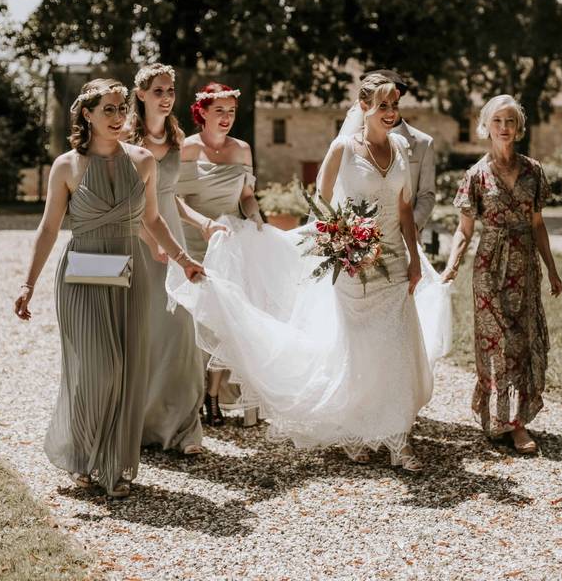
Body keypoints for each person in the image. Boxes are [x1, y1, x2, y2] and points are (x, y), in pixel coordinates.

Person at [168, 73, 453, 472]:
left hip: (393, 259)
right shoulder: (342, 148)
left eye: (395, 106)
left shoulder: (403, 148)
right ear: (365, 106)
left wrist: (415, 258)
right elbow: (321, 205)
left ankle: (399, 439)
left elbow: (405, 208)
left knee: (398, 346)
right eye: (383, 106)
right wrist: (343, 242)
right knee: (360, 347)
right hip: (354, 264)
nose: (391, 114)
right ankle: (356, 428)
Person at [13, 78, 204, 498]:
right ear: (87, 114)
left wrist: (184, 259)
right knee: (98, 369)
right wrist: (29, 284)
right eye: (109, 111)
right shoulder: (67, 166)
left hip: (130, 276)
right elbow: (48, 229)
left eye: (122, 110)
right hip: (81, 279)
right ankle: (83, 453)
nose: (119, 118)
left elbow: (153, 221)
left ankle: (114, 467)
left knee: (128, 370)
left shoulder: (143, 161)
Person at [441, 94, 562, 453]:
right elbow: (464, 230)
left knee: (521, 342)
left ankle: (516, 421)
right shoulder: (475, 175)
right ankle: (503, 420)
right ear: (486, 126)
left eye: (510, 121)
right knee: (496, 344)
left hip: (524, 266)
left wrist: (552, 269)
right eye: (498, 121)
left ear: (519, 127)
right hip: (489, 267)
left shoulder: (533, 171)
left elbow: (538, 224)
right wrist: (452, 264)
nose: (504, 128)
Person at [128, 63, 224, 454]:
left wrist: (202, 221)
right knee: (144, 333)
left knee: (181, 332)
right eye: (158, 91)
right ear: (141, 95)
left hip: (174, 237)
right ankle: (139, 425)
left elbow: (170, 195)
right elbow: (129, 202)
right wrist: (150, 242)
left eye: (170, 91)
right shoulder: (123, 140)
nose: (166, 98)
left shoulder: (175, 137)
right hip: (139, 241)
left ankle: (183, 429)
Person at [176, 82, 263, 427]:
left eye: (231, 111)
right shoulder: (186, 149)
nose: (227, 118)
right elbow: (175, 198)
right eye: (219, 111)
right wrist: (201, 224)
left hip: (229, 242)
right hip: (192, 238)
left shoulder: (242, 149)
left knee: (226, 318)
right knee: (192, 321)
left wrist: (255, 215)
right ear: (202, 113)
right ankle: (189, 395)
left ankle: (213, 395)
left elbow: (246, 195)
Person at [360, 69, 437, 231]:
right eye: (381, 103)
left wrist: (411, 227)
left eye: (392, 102)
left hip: (406, 238)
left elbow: (426, 195)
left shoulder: (423, 144)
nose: (388, 110)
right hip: (361, 240)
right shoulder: (352, 143)